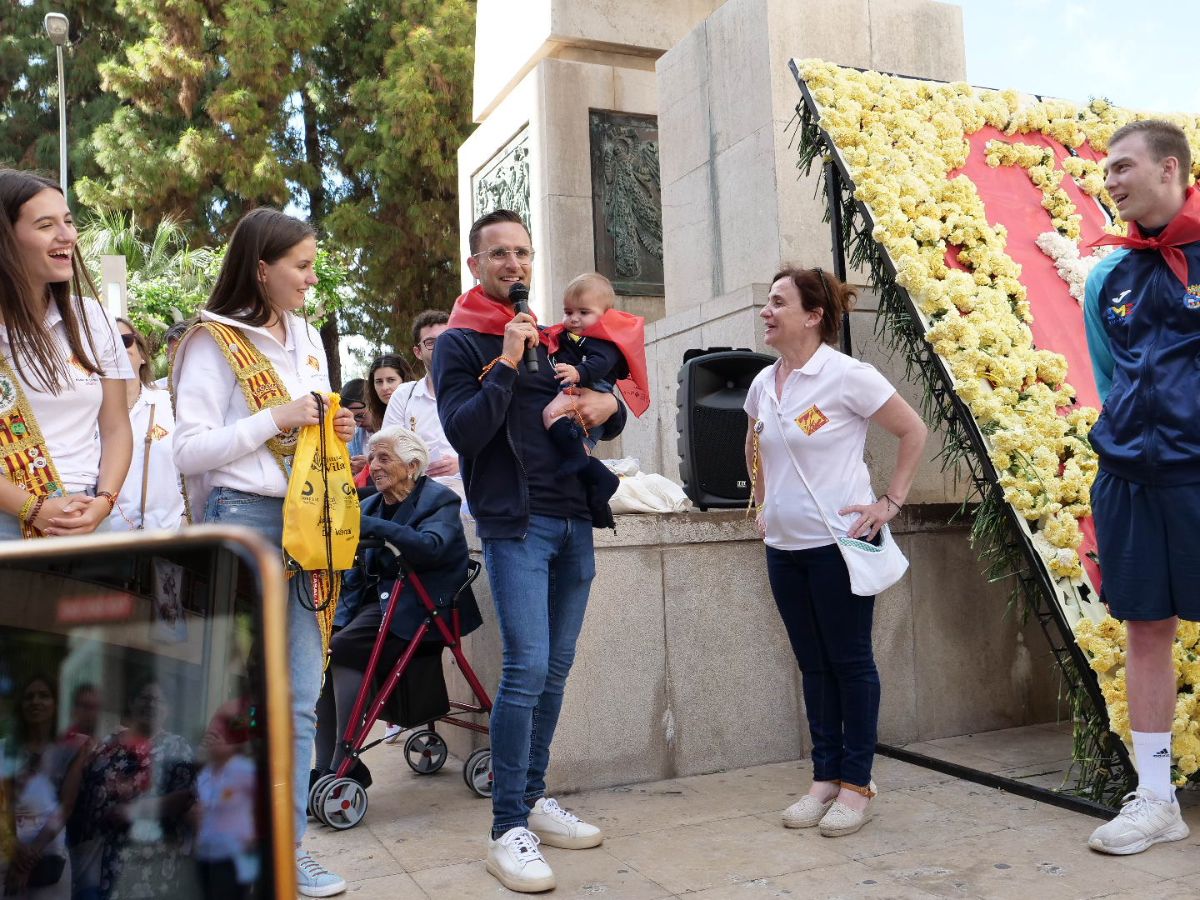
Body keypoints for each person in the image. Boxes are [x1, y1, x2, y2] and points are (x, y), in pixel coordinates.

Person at [434, 209, 627, 893]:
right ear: (475, 265)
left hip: (573, 518)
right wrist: (508, 363)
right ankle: (506, 827)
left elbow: (599, 400)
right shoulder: (461, 344)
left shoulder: (551, 337)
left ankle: (535, 798)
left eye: (522, 253)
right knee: (526, 668)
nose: (513, 266)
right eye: (499, 255)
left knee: (557, 668)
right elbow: (465, 432)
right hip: (515, 524)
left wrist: (609, 407)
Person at [170, 207, 355, 897]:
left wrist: (334, 424)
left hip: (311, 523)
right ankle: (227, 847)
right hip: (243, 521)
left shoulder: (306, 333)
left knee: (302, 697)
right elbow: (188, 449)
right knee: (239, 699)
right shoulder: (210, 341)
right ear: (261, 268)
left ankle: (289, 848)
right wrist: (273, 419)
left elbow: (311, 427)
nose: (312, 278)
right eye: (301, 266)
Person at [743, 266, 927, 838]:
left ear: (813, 314)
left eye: (778, 302)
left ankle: (856, 784)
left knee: (849, 663)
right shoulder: (762, 382)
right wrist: (761, 504)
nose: (766, 312)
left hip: (838, 545)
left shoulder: (848, 375)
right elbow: (756, 444)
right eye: (767, 302)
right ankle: (823, 779)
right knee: (812, 664)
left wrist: (888, 502)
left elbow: (912, 430)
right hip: (784, 547)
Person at [1083, 119, 1200, 855]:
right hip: (1129, 480)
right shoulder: (1109, 275)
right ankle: (1156, 796)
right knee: (1146, 630)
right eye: (1106, 171)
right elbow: (1109, 376)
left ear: (1170, 168)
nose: (1111, 181)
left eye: (1123, 167)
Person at [313, 426, 480, 778]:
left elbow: (431, 546)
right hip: (378, 606)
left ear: (413, 465)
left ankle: (344, 762)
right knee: (324, 653)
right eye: (372, 457)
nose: (373, 465)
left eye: (384, 458)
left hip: (421, 609)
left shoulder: (438, 500)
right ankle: (325, 765)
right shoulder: (371, 502)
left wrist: (374, 527)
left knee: (341, 649)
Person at [0, 170, 133, 540]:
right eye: (45, 225)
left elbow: (116, 426)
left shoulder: (92, 318)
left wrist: (105, 500)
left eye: (69, 221)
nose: (67, 236)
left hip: (87, 517)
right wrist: (32, 508)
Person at [542, 273, 647, 492]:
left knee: (551, 414)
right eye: (568, 312)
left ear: (605, 316)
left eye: (584, 312)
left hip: (592, 388)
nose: (574, 318)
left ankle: (580, 462)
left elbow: (601, 363)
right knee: (580, 448)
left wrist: (578, 372)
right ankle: (598, 477)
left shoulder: (602, 340)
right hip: (586, 395)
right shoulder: (569, 336)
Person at [1, 675, 86, 900]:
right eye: (29, 697)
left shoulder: (70, 751)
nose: (36, 701)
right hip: (6, 862)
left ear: (55, 704)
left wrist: (28, 859)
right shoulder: (4, 750)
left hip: (50, 863)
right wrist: (16, 850)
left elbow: (66, 807)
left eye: (43, 696)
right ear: (21, 705)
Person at [110, 319, 184, 531]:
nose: (116, 349)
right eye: (107, 343)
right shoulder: (86, 415)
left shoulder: (171, 404)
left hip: (167, 541)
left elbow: (193, 469)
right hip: (105, 544)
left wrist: (186, 518)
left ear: (142, 355)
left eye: (124, 341)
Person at [382, 311, 461, 482]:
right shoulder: (404, 396)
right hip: (418, 497)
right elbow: (385, 450)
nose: (441, 347)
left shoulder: (475, 390)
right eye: (431, 343)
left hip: (468, 495)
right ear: (418, 352)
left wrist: (462, 464)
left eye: (447, 339)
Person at [364, 354, 413, 433]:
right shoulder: (375, 419)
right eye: (379, 381)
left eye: (391, 380)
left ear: (404, 380)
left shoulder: (419, 408)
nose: (384, 387)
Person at [339, 378, 370, 475]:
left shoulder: (392, 430)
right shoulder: (355, 438)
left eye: (360, 416)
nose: (356, 423)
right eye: (350, 418)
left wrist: (370, 466)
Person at [152, 321, 190, 390]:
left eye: (186, 352)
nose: (180, 359)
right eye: (175, 353)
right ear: (167, 353)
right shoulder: (154, 391)